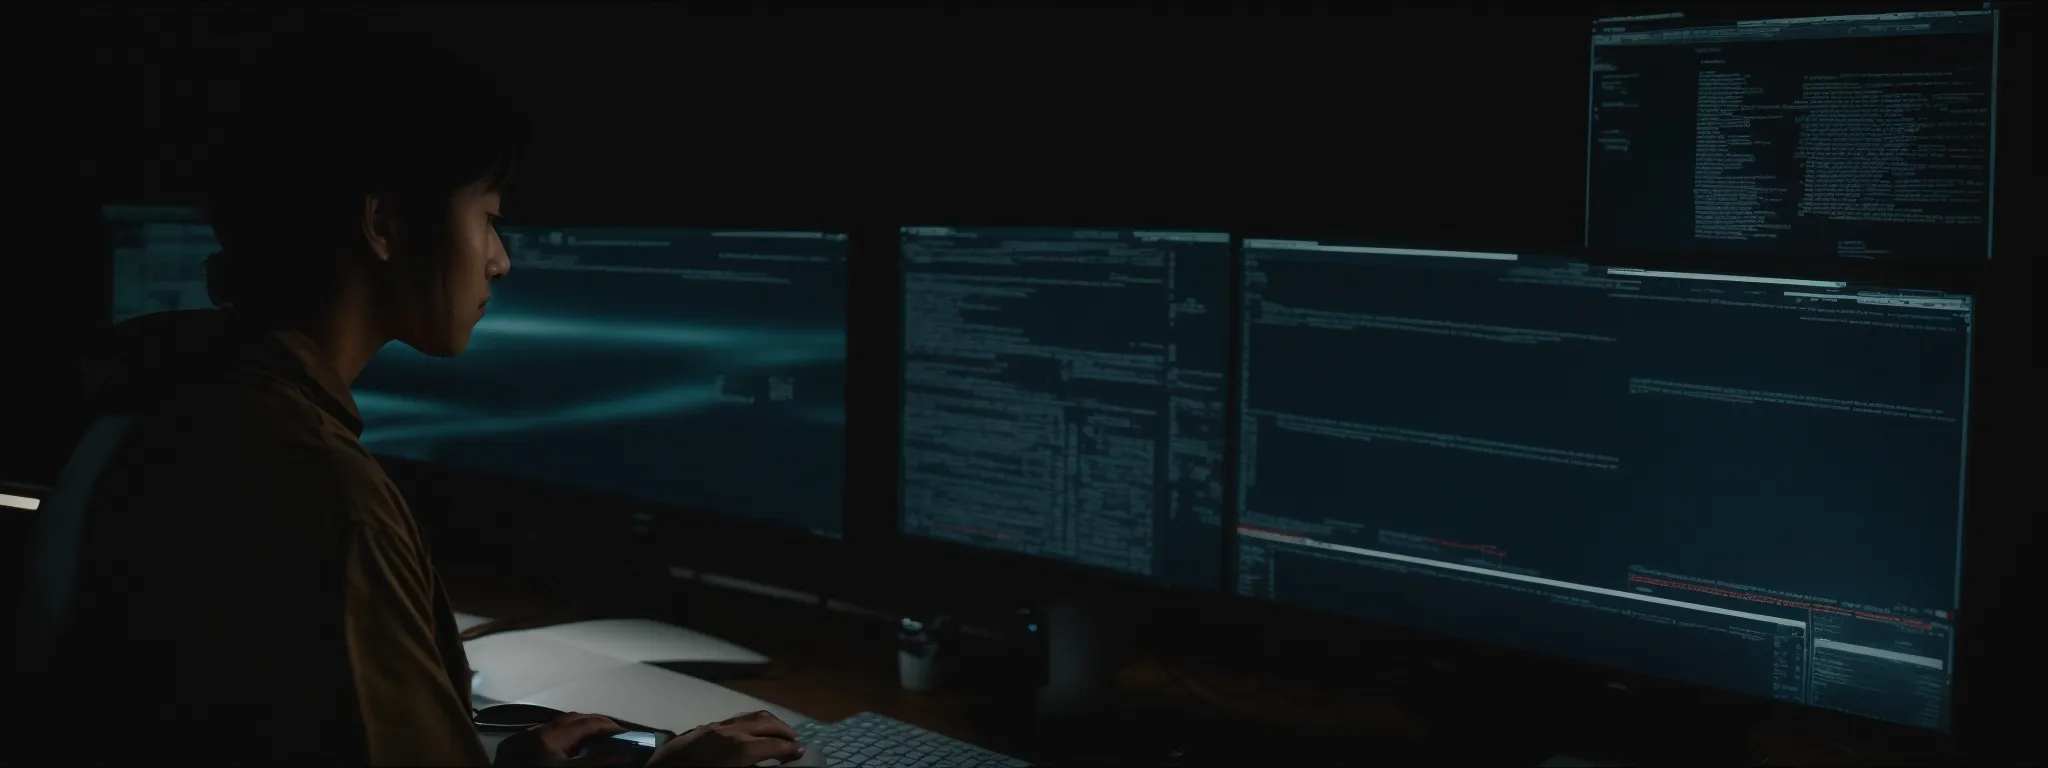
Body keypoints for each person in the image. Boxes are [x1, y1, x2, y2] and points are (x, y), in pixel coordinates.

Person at [24, 27, 805, 767]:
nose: (500, 260)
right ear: (384, 224)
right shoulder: (327, 497)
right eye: (489, 218)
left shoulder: (171, 393)